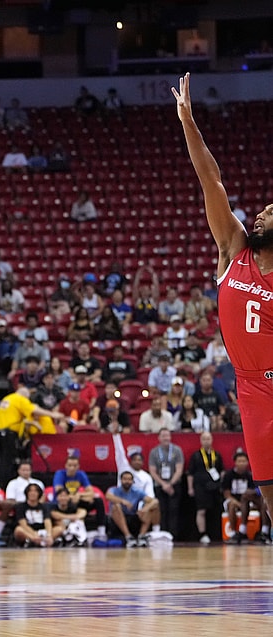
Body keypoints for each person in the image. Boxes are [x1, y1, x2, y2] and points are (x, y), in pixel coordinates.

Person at [174, 72, 273, 513]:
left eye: (271, 213)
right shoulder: (234, 250)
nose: (261, 214)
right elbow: (210, 181)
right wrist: (189, 123)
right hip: (250, 390)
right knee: (270, 499)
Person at [53, 456, 108, 541]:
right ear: (66, 466)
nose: (72, 468)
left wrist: (79, 495)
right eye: (70, 465)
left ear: (78, 466)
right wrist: (73, 496)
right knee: (67, 500)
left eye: (75, 466)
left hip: (76, 500)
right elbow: (59, 491)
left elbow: (91, 492)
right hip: (63, 502)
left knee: (98, 500)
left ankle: (101, 531)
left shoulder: (81, 474)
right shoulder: (60, 474)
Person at [186, 430, 224, 544]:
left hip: (214, 486)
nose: (206, 441)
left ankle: (216, 533)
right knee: (201, 511)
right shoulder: (196, 455)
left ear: (212, 440)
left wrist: (220, 484)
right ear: (201, 441)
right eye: (204, 439)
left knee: (216, 511)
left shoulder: (216, 455)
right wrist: (190, 488)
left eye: (208, 439)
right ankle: (202, 534)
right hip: (200, 487)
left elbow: (221, 471)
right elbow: (190, 473)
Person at [106, 471, 160, 548]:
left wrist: (145, 508)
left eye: (129, 479)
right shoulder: (114, 490)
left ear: (133, 481)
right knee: (116, 507)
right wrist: (123, 501)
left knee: (152, 507)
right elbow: (108, 496)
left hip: (133, 518)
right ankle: (128, 537)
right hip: (118, 521)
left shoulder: (137, 492)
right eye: (125, 479)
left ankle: (142, 536)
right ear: (121, 480)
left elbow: (155, 501)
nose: (127, 481)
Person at [149, 428, 185, 538]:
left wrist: (170, 484)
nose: (166, 438)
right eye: (163, 436)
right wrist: (163, 484)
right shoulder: (154, 452)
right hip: (159, 485)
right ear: (159, 438)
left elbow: (179, 469)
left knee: (174, 510)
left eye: (167, 435)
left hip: (174, 485)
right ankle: (162, 533)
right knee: (162, 510)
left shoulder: (177, 450)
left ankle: (173, 535)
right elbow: (152, 471)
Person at [222, 450, 262, 545]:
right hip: (232, 500)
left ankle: (261, 532)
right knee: (232, 506)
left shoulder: (250, 475)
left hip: (247, 501)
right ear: (235, 462)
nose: (242, 463)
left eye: (244, 461)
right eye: (239, 461)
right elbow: (227, 494)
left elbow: (253, 493)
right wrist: (239, 504)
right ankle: (233, 532)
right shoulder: (228, 475)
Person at [12, 483, 53, 547]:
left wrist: (49, 535)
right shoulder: (20, 506)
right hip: (28, 531)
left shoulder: (44, 506)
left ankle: (45, 540)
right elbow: (23, 524)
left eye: (35, 491)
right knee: (18, 530)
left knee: (59, 529)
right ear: (27, 493)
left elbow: (47, 520)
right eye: (30, 491)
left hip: (42, 531)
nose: (33, 493)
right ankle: (35, 541)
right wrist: (34, 535)